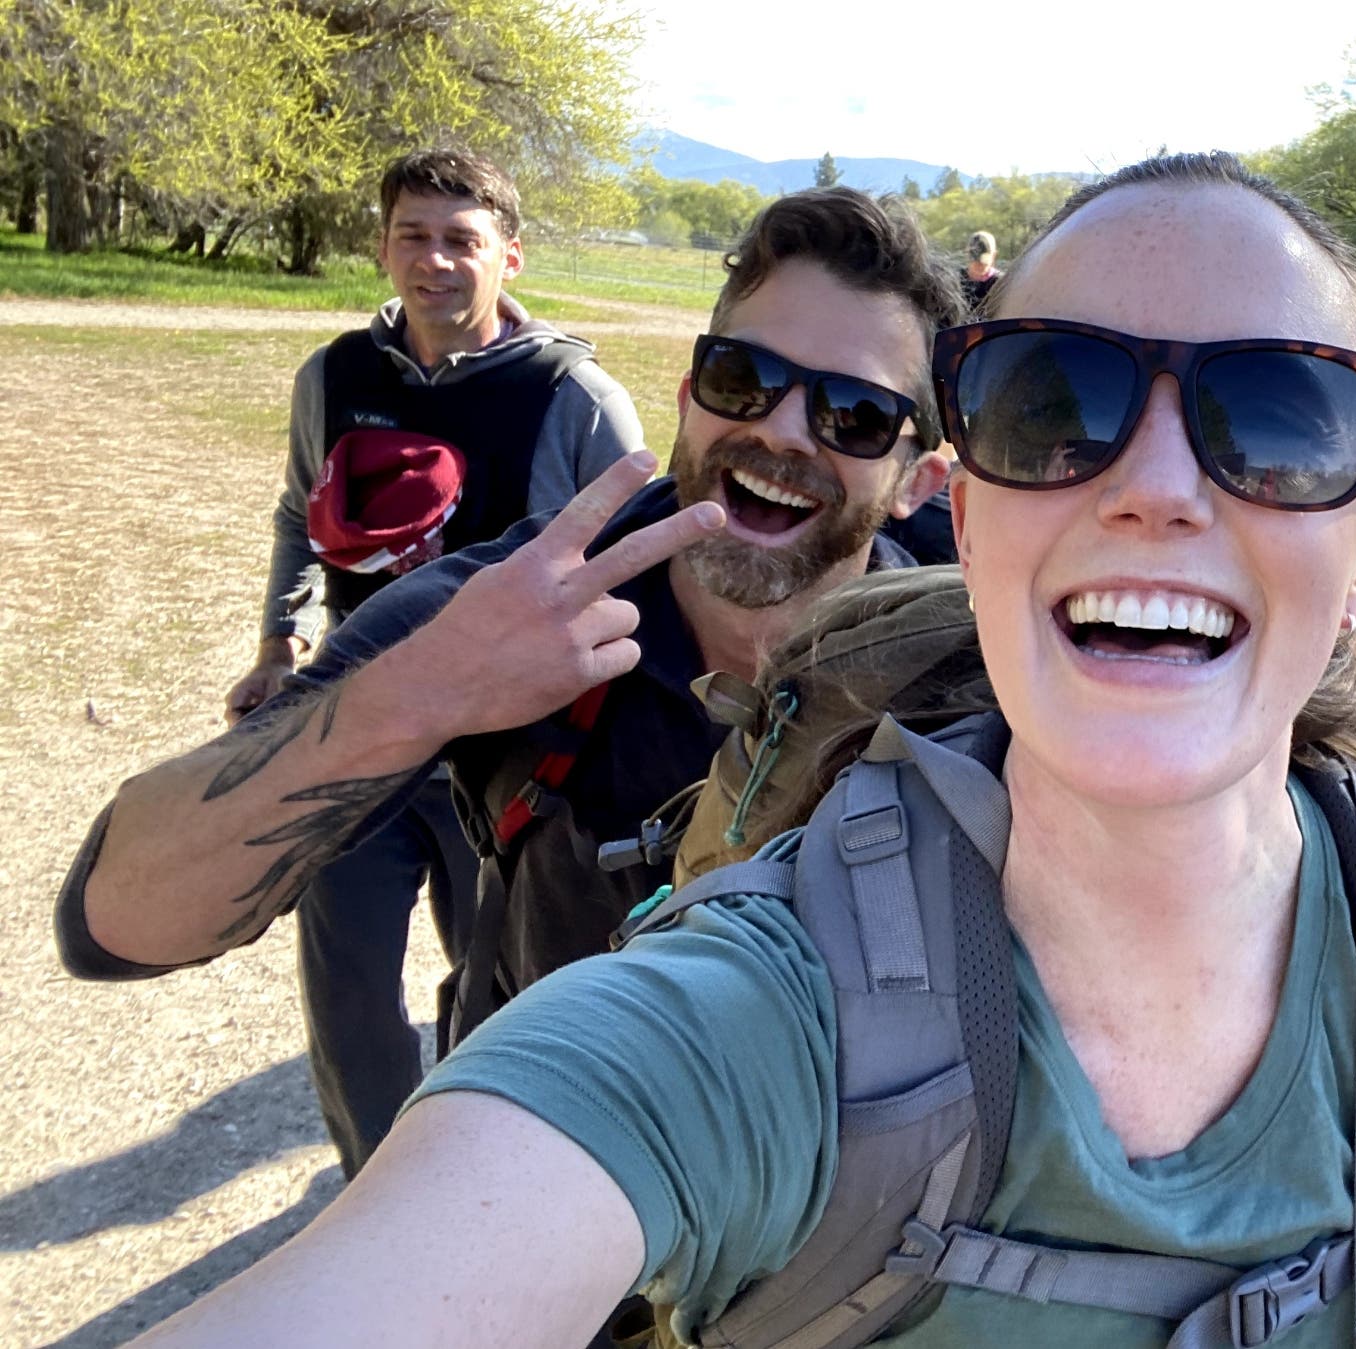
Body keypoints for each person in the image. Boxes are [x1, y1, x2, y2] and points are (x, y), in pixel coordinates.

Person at [120, 152, 1356, 1349]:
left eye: (1281, 420)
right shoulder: (737, 977)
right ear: (986, 512)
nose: (1154, 488)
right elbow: (118, 919)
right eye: (1054, 405)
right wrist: (414, 691)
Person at [57, 186, 956, 1102]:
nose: (779, 429)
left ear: (916, 482)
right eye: (742, 377)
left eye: (855, 414)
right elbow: (115, 920)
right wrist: (429, 688)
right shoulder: (512, 605)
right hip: (549, 1130)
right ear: (690, 400)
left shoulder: (968, 669)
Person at [215, 148, 647, 1176]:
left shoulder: (576, 399)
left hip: (510, 758)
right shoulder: (335, 378)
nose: (435, 260)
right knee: (348, 993)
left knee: (499, 984)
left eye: (462, 239)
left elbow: (636, 571)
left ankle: (481, 1181)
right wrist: (279, 641)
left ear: (510, 256)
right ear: (382, 246)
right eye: (413, 235)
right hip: (355, 727)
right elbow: (299, 515)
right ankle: (374, 1185)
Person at [959, 228, 1004, 310]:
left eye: (984, 261)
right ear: (967, 254)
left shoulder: (1001, 283)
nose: (979, 264)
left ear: (994, 255)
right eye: (975, 259)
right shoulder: (956, 281)